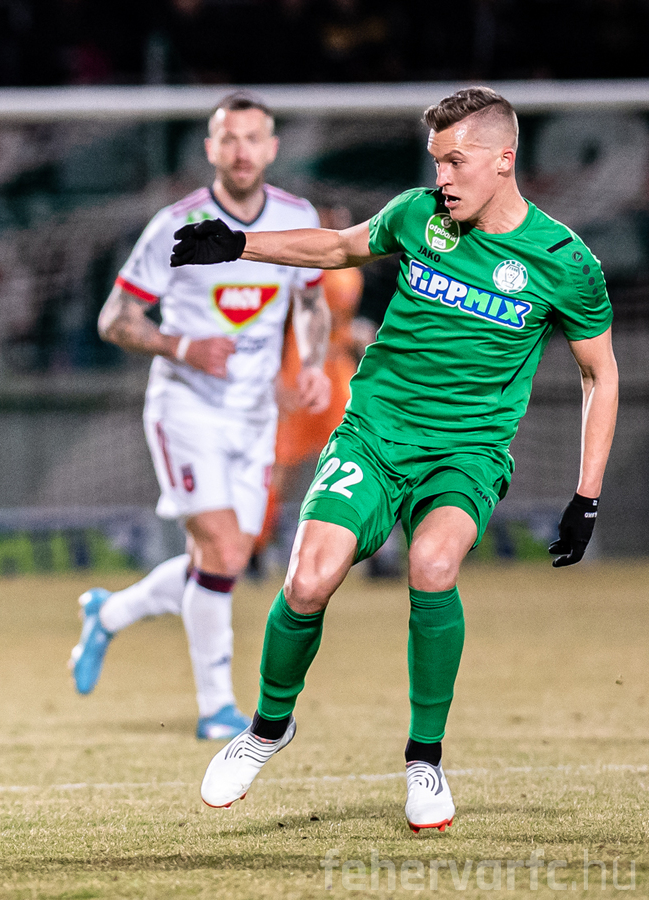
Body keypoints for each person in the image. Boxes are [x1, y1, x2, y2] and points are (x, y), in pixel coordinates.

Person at [172, 87, 617, 831]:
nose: (442, 177)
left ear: (504, 160)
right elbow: (339, 247)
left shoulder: (565, 262)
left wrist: (587, 494)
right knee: (308, 580)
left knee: (433, 566)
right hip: (374, 435)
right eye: (436, 161)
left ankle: (424, 760)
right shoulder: (418, 215)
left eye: (456, 161)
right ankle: (267, 729)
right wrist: (240, 244)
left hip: (467, 452)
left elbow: (600, 374)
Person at [70, 93, 332, 741]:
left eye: (253, 138)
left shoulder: (297, 218)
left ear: (272, 149)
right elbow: (114, 318)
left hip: (254, 417)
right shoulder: (175, 225)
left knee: (225, 559)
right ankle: (217, 708)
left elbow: (312, 302)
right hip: (185, 408)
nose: (241, 151)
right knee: (221, 548)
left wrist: (312, 363)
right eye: (229, 139)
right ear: (211, 149)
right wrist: (183, 346)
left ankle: (110, 613)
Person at [253, 210, 367, 564]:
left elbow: (343, 325)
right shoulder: (302, 265)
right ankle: (256, 546)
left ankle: (365, 548)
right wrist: (274, 374)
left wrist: (356, 339)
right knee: (281, 464)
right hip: (299, 369)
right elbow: (280, 319)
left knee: (355, 455)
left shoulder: (353, 269)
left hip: (338, 372)